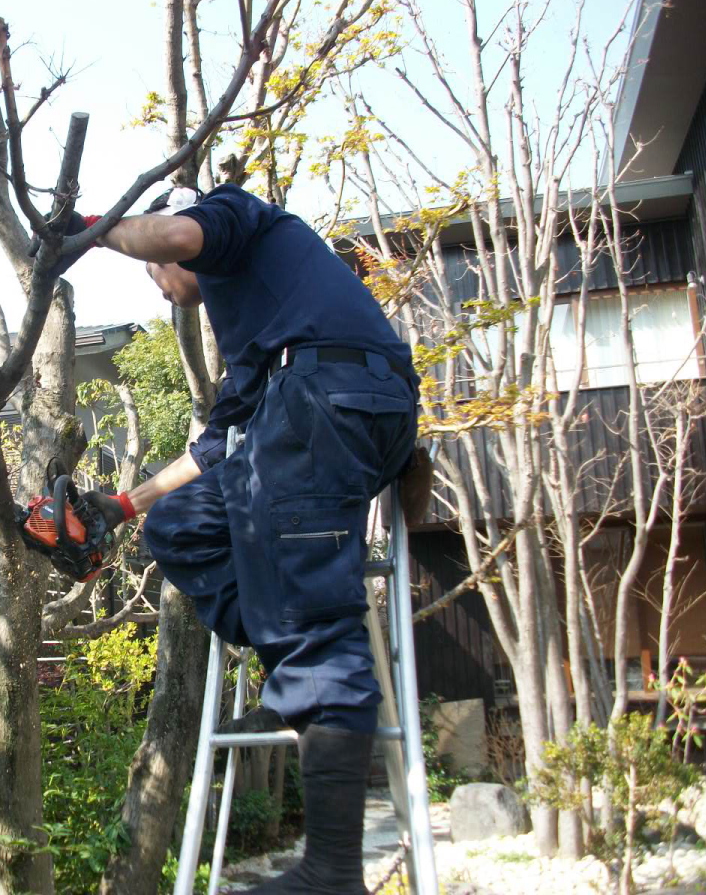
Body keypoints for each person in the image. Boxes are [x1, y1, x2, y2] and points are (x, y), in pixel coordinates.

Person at [52, 184, 426, 895]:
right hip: (327, 407)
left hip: (321, 403)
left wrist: (90, 230)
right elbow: (219, 445)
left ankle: (332, 873)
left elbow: (177, 239)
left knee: (312, 627)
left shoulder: (230, 218)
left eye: (153, 271)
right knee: (182, 528)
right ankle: (293, 657)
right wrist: (122, 505)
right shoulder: (262, 311)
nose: (160, 285)